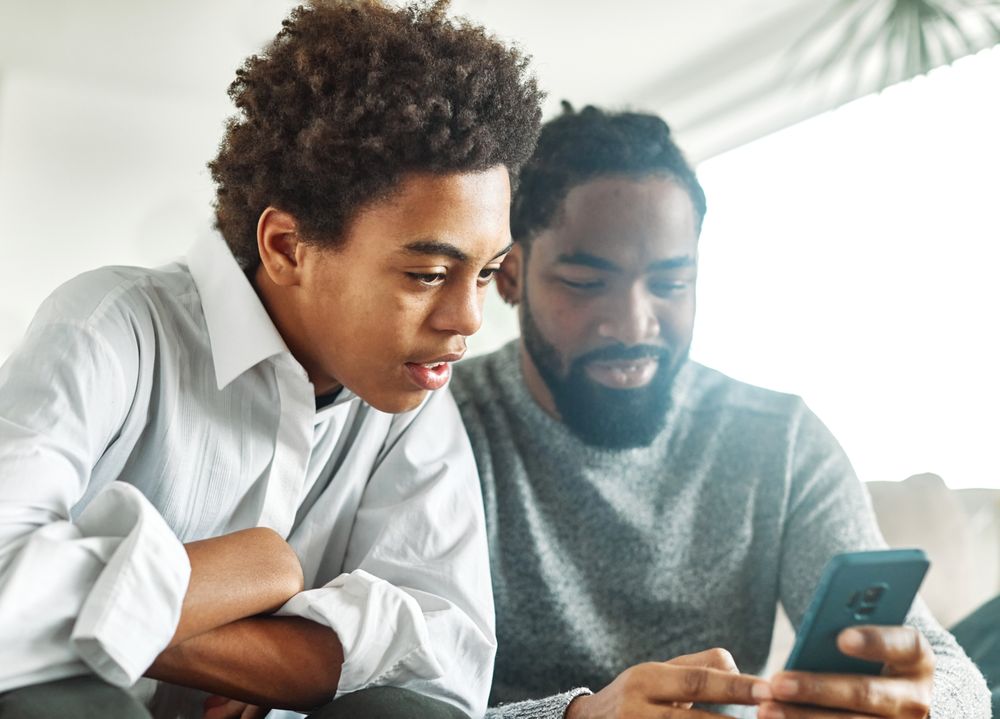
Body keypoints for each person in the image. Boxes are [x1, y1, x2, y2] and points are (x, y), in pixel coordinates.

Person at [0, 2, 542, 718]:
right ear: (288, 247)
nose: (467, 319)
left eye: (484, 271)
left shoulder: (414, 402)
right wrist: (265, 572)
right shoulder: (113, 325)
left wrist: (182, 619)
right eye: (426, 275)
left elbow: (444, 664)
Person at [450, 104, 991, 719]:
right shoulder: (437, 424)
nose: (634, 323)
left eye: (671, 283)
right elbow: (375, 702)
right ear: (510, 275)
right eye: (584, 281)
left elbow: (950, 674)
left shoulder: (779, 442)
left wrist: (917, 701)